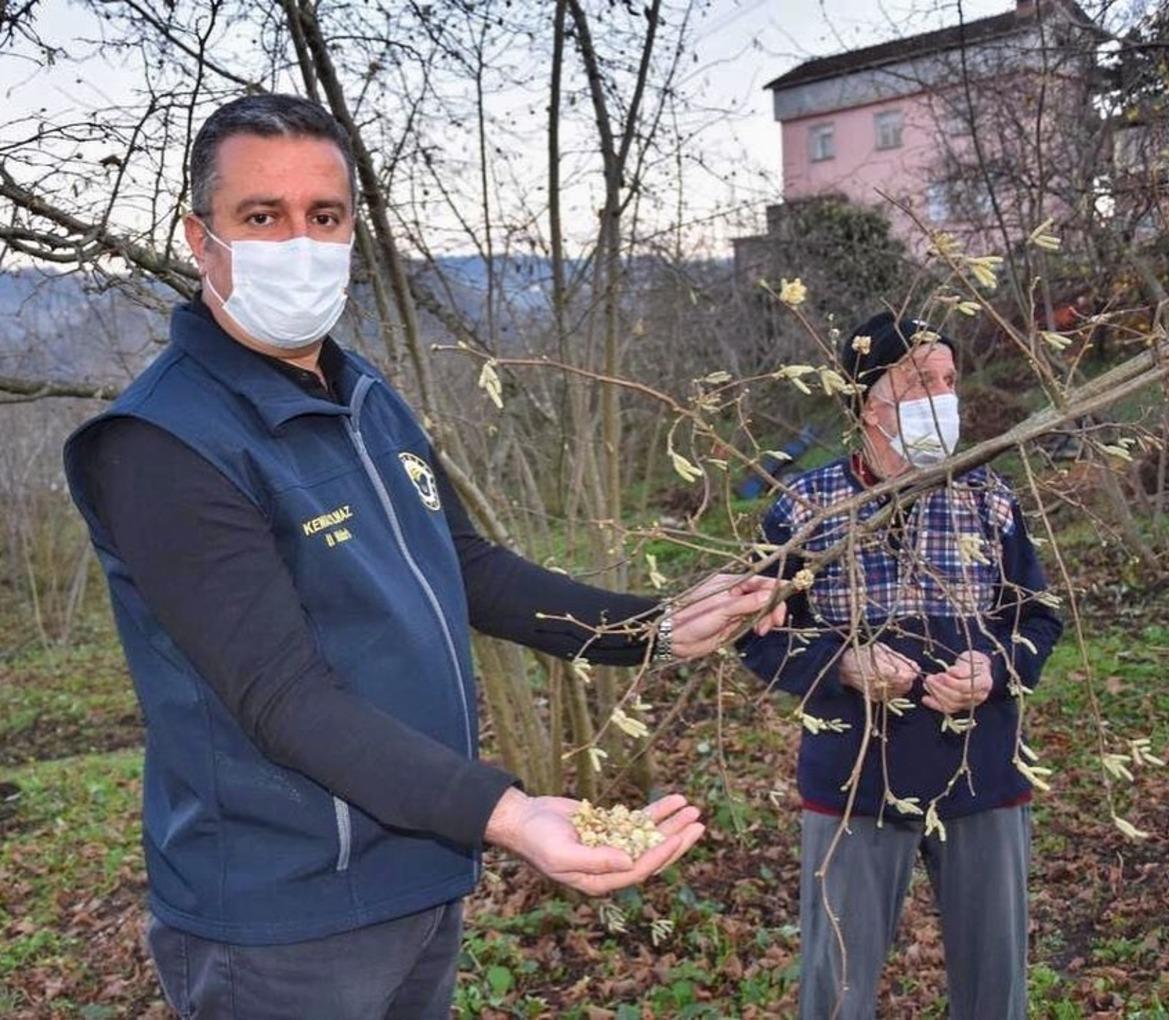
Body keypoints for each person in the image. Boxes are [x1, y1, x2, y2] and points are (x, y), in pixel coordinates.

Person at [62, 93, 783, 1019]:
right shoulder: (163, 443)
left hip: (420, 865)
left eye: (323, 216)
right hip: (286, 918)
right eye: (261, 216)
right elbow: (282, 696)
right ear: (202, 239)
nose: (299, 241)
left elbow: (466, 566)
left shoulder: (362, 397)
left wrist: (651, 628)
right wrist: (511, 814)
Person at [739, 312, 1063, 1020]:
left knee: (994, 992)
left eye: (949, 381)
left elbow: (1039, 615)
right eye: (920, 382)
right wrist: (841, 661)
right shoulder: (804, 509)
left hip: (983, 773)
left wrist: (998, 668)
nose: (943, 398)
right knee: (837, 991)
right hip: (857, 781)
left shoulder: (987, 498)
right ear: (866, 401)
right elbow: (755, 634)